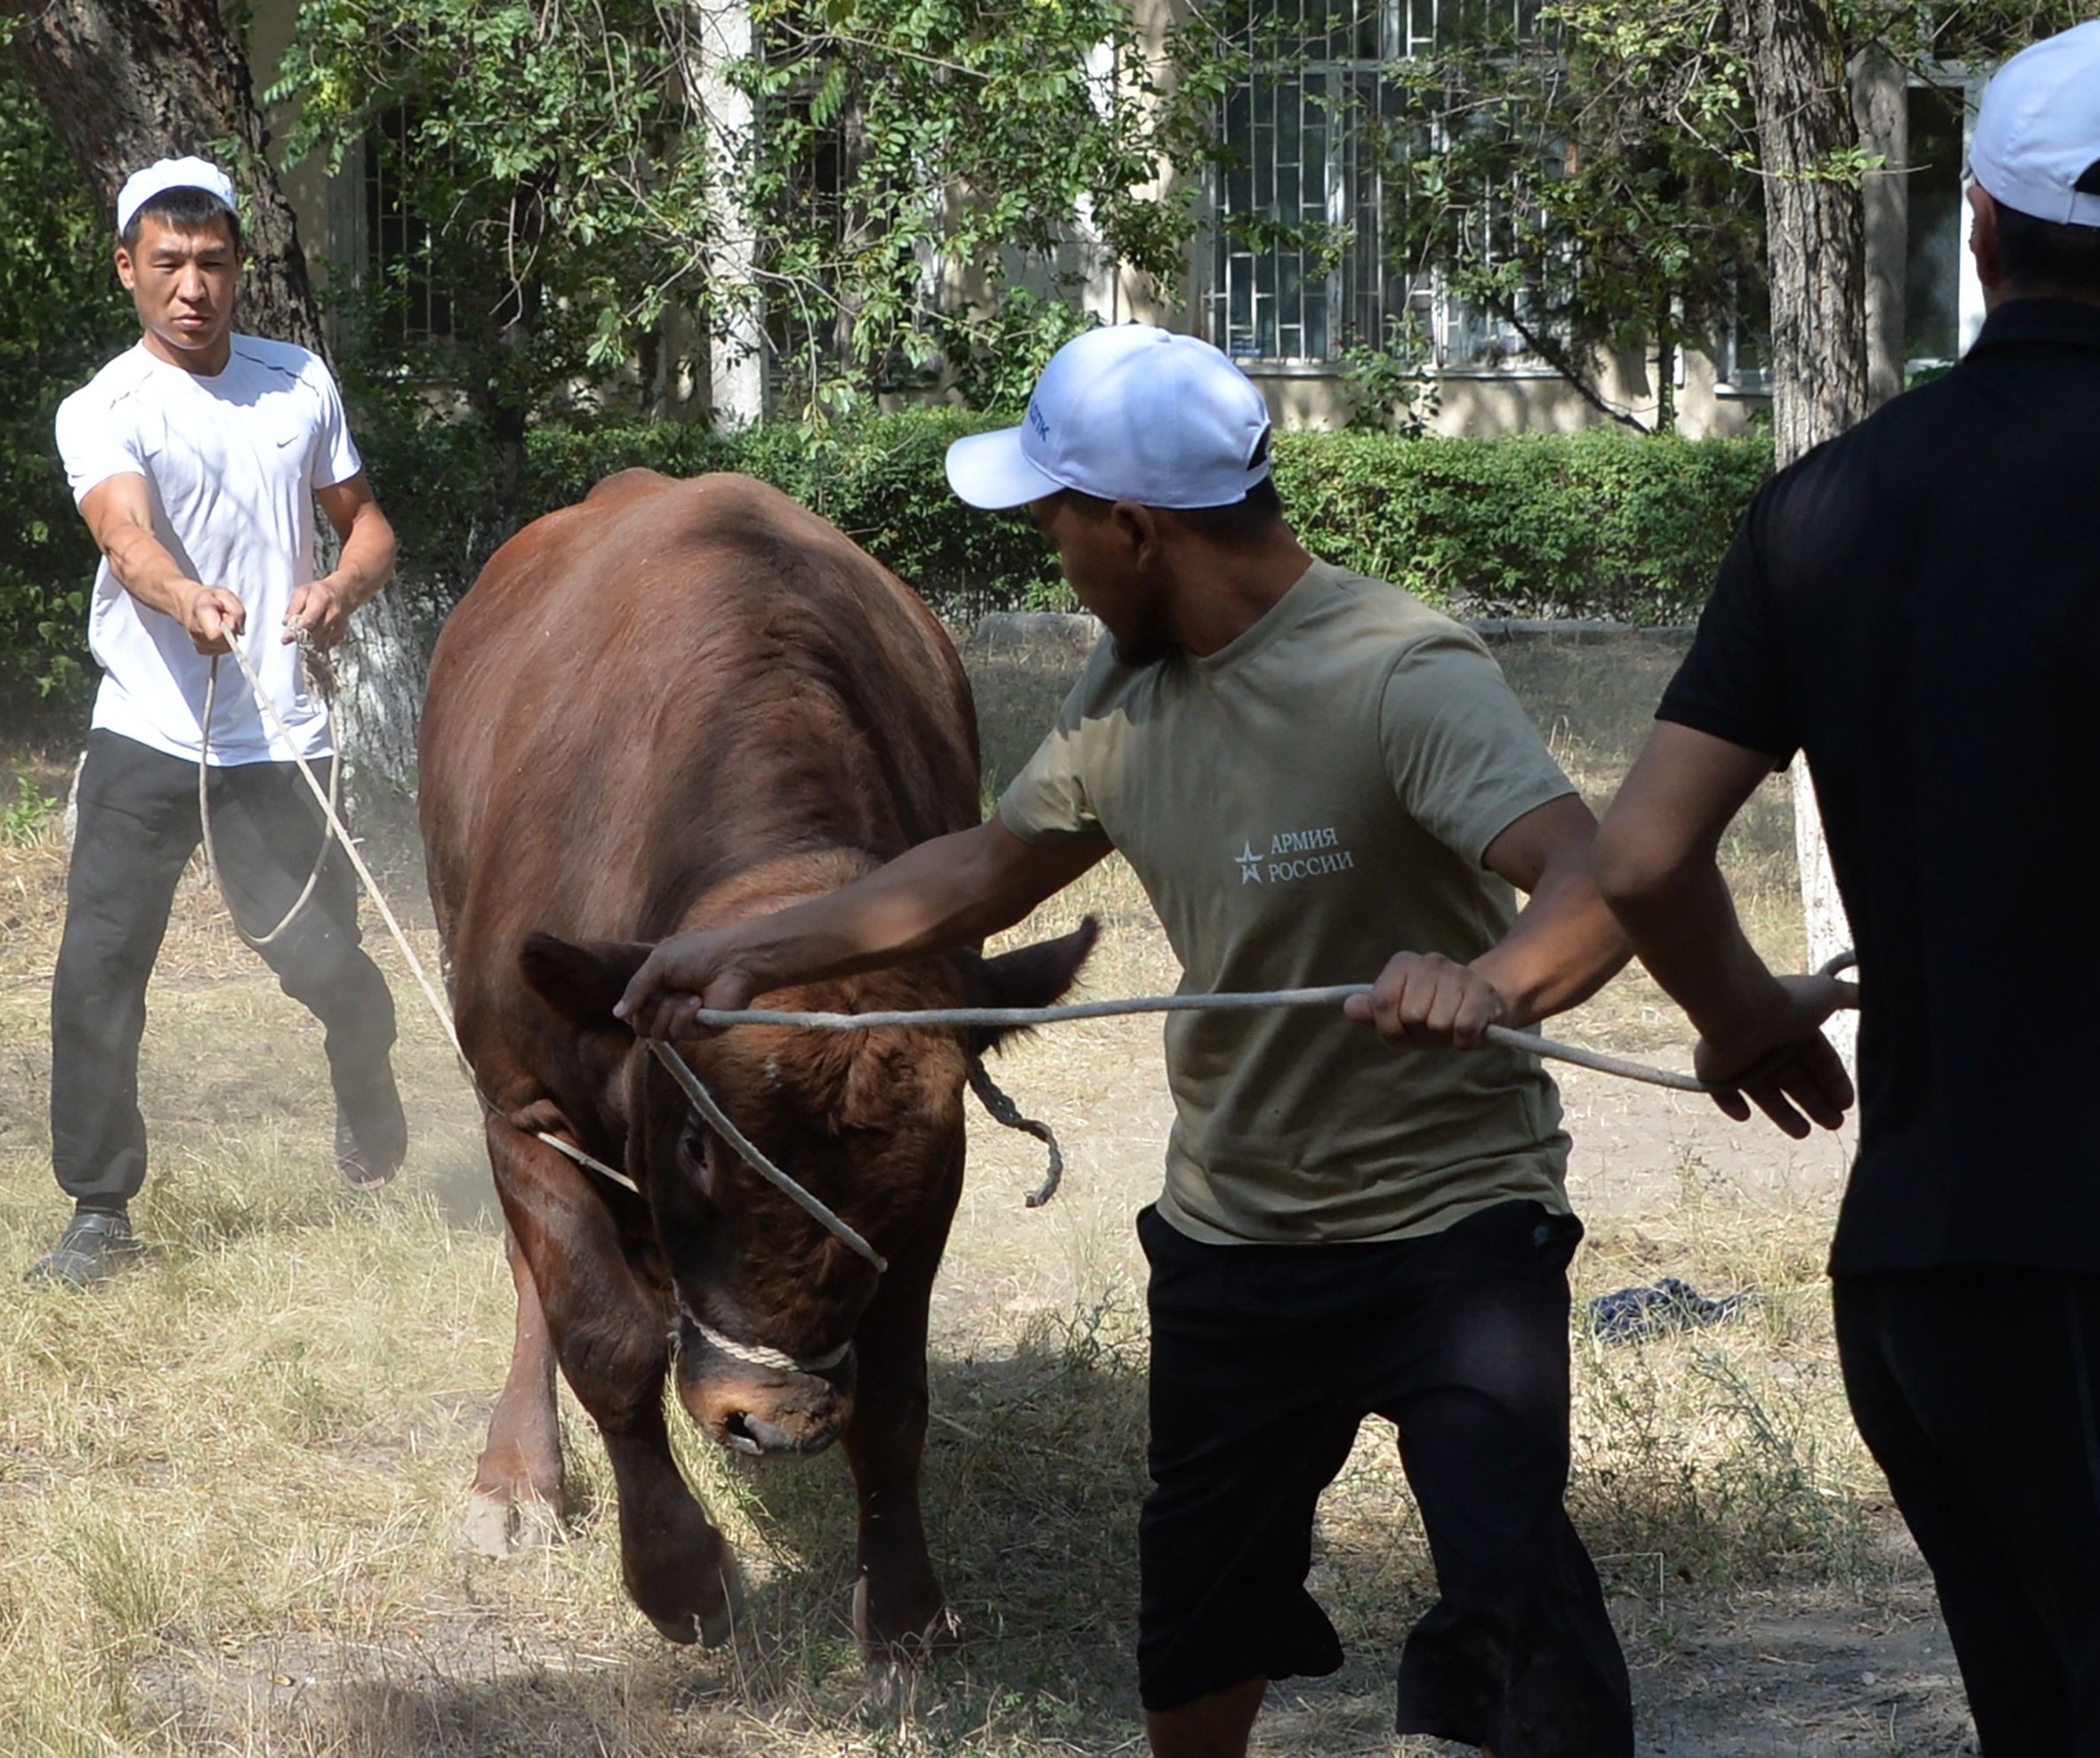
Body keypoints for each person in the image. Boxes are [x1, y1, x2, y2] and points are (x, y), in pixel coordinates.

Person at [617, 324, 1637, 1755]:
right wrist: (746, 945)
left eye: (1055, 527)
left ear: (1135, 526)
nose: (1057, 559)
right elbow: (990, 868)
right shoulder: (1128, 689)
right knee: (1200, 1618)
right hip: (1237, 1233)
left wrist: (1502, 982)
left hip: (1452, 1231)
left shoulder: (1399, 671)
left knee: (1519, 1602)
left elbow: (1596, 878)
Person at [1592, 22, 2100, 1754]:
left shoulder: (1822, 505)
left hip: (1907, 1297)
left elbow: (1637, 857)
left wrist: (1743, 1017)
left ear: (1981, 239)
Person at [28, 157, 406, 1288]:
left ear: (238, 269)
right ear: (127, 271)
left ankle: (366, 1077)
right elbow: (125, 533)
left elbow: (370, 527)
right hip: (146, 730)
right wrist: (184, 596)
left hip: (284, 736)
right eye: (168, 263)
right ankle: (100, 1209)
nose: (192, 285)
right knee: (100, 965)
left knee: (315, 956)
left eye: (212, 262)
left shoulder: (297, 384)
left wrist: (338, 590)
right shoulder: (104, 406)